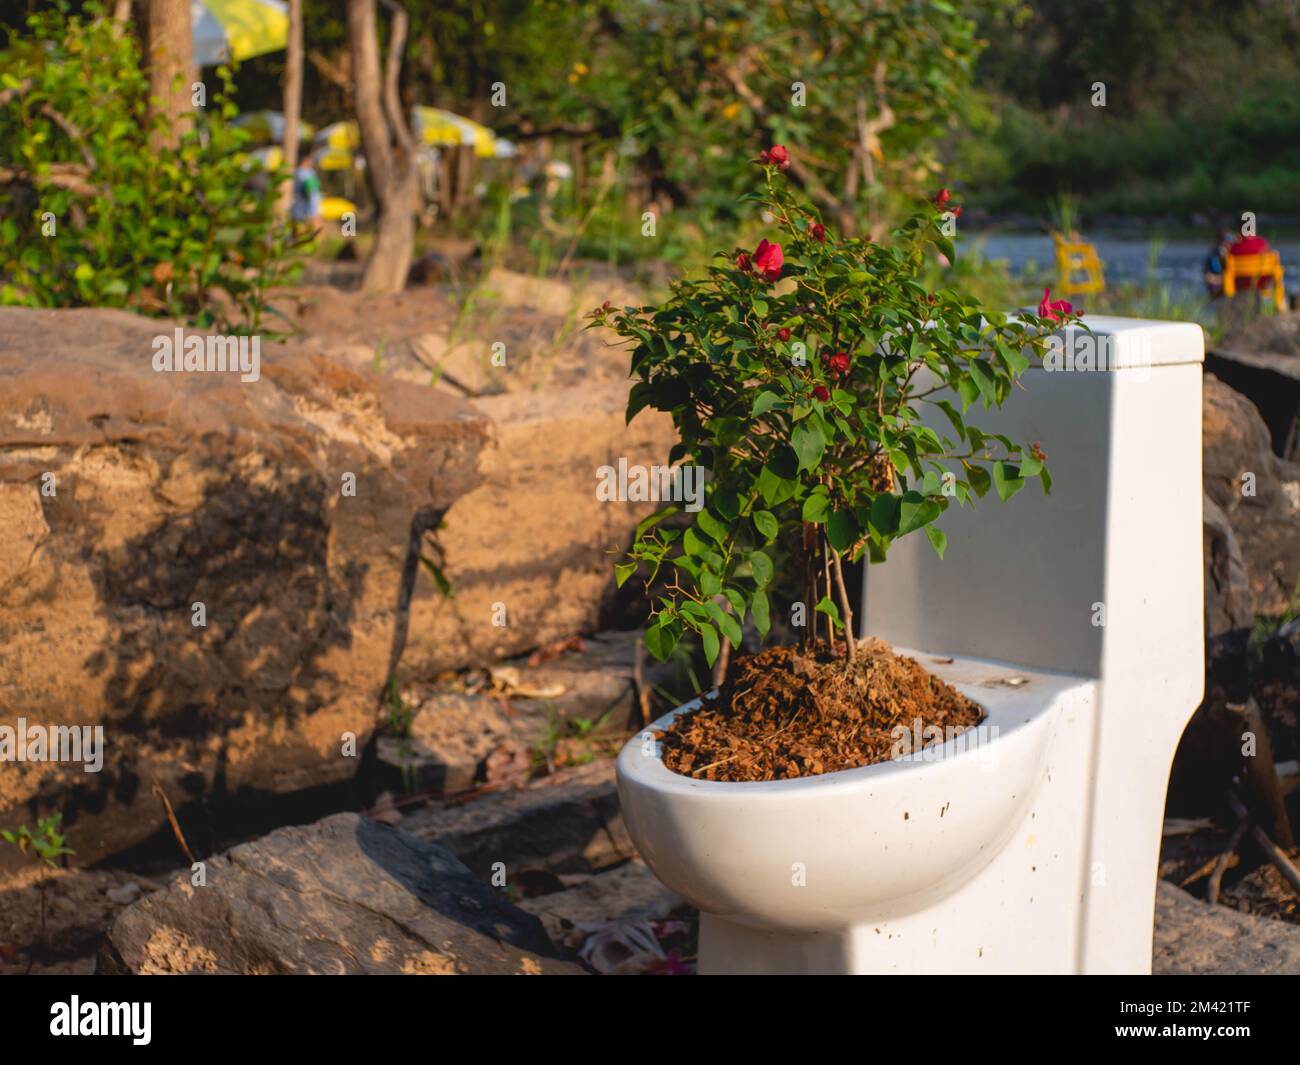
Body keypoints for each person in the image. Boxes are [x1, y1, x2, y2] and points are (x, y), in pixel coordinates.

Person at [290, 153, 323, 230]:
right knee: (311, 219)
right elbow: (310, 187)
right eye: (310, 161)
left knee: (314, 218)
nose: (311, 162)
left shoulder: (309, 171)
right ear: (305, 161)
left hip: (311, 199)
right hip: (305, 200)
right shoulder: (301, 172)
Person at [1203, 230, 1231, 298]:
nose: (1227, 244)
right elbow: (1208, 277)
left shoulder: (1231, 255)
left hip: (1228, 288)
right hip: (1218, 289)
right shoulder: (1213, 256)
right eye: (1224, 242)